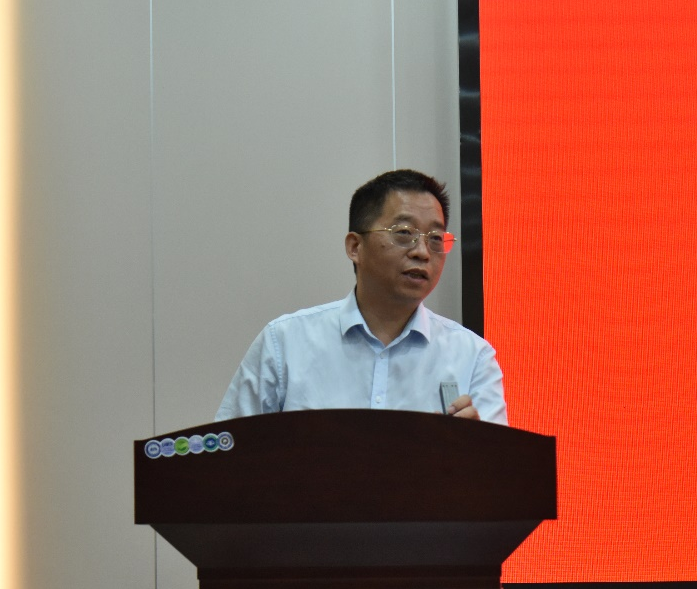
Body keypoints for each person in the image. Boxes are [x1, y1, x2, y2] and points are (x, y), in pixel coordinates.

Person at [216, 169, 507, 424]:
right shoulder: (285, 343)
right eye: (404, 232)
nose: (422, 252)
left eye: (435, 238)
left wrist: (472, 447)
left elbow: (498, 467)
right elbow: (228, 450)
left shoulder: (472, 357)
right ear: (355, 247)